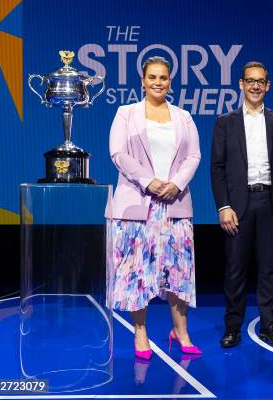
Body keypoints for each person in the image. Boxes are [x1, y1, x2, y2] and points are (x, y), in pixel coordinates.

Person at [108, 56, 202, 359]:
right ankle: (140, 331)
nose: (158, 83)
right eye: (152, 77)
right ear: (143, 80)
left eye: (163, 78)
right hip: (138, 204)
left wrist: (175, 183)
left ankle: (180, 330)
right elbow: (118, 154)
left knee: (179, 271)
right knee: (138, 271)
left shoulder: (183, 116)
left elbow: (194, 156)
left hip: (174, 204)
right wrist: (149, 181)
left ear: (170, 82)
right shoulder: (126, 114)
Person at [211, 61, 273, 348]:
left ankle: (269, 326)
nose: (256, 86)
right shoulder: (225, 122)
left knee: (269, 268)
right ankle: (232, 327)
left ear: (268, 86)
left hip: (270, 203)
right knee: (235, 270)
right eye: (250, 81)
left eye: (261, 81)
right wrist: (223, 206)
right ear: (241, 84)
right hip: (237, 206)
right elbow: (217, 168)